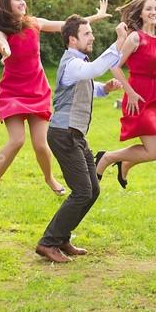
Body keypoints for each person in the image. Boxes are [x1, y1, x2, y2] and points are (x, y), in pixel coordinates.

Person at [0, 0, 111, 207]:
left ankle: (49, 178)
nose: (22, 2)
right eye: (16, 0)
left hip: (37, 90)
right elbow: (1, 40)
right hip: (12, 92)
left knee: (41, 145)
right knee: (17, 140)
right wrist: (5, 50)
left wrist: (96, 17)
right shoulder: (1, 30)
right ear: (6, 4)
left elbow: (67, 26)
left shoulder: (35, 23)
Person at [35, 16, 125, 263]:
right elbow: (92, 70)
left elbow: (88, 82)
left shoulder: (78, 64)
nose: (92, 37)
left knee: (92, 189)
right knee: (83, 191)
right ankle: (48, 242)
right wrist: (118, 43)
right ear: (72, 39)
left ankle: (62, 237)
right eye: (87, 34)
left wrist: (104, 89)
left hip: (75, 135)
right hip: (63, 135)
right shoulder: (72, 63)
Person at [94, 0, 156, 188]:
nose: (153, 12)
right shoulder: (135, 37)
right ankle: (106, 157)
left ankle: (125, 162)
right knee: (154, 151)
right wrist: (130, 92)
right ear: (140, 12)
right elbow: (115, 66)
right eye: (148, 9)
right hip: (138, 95)